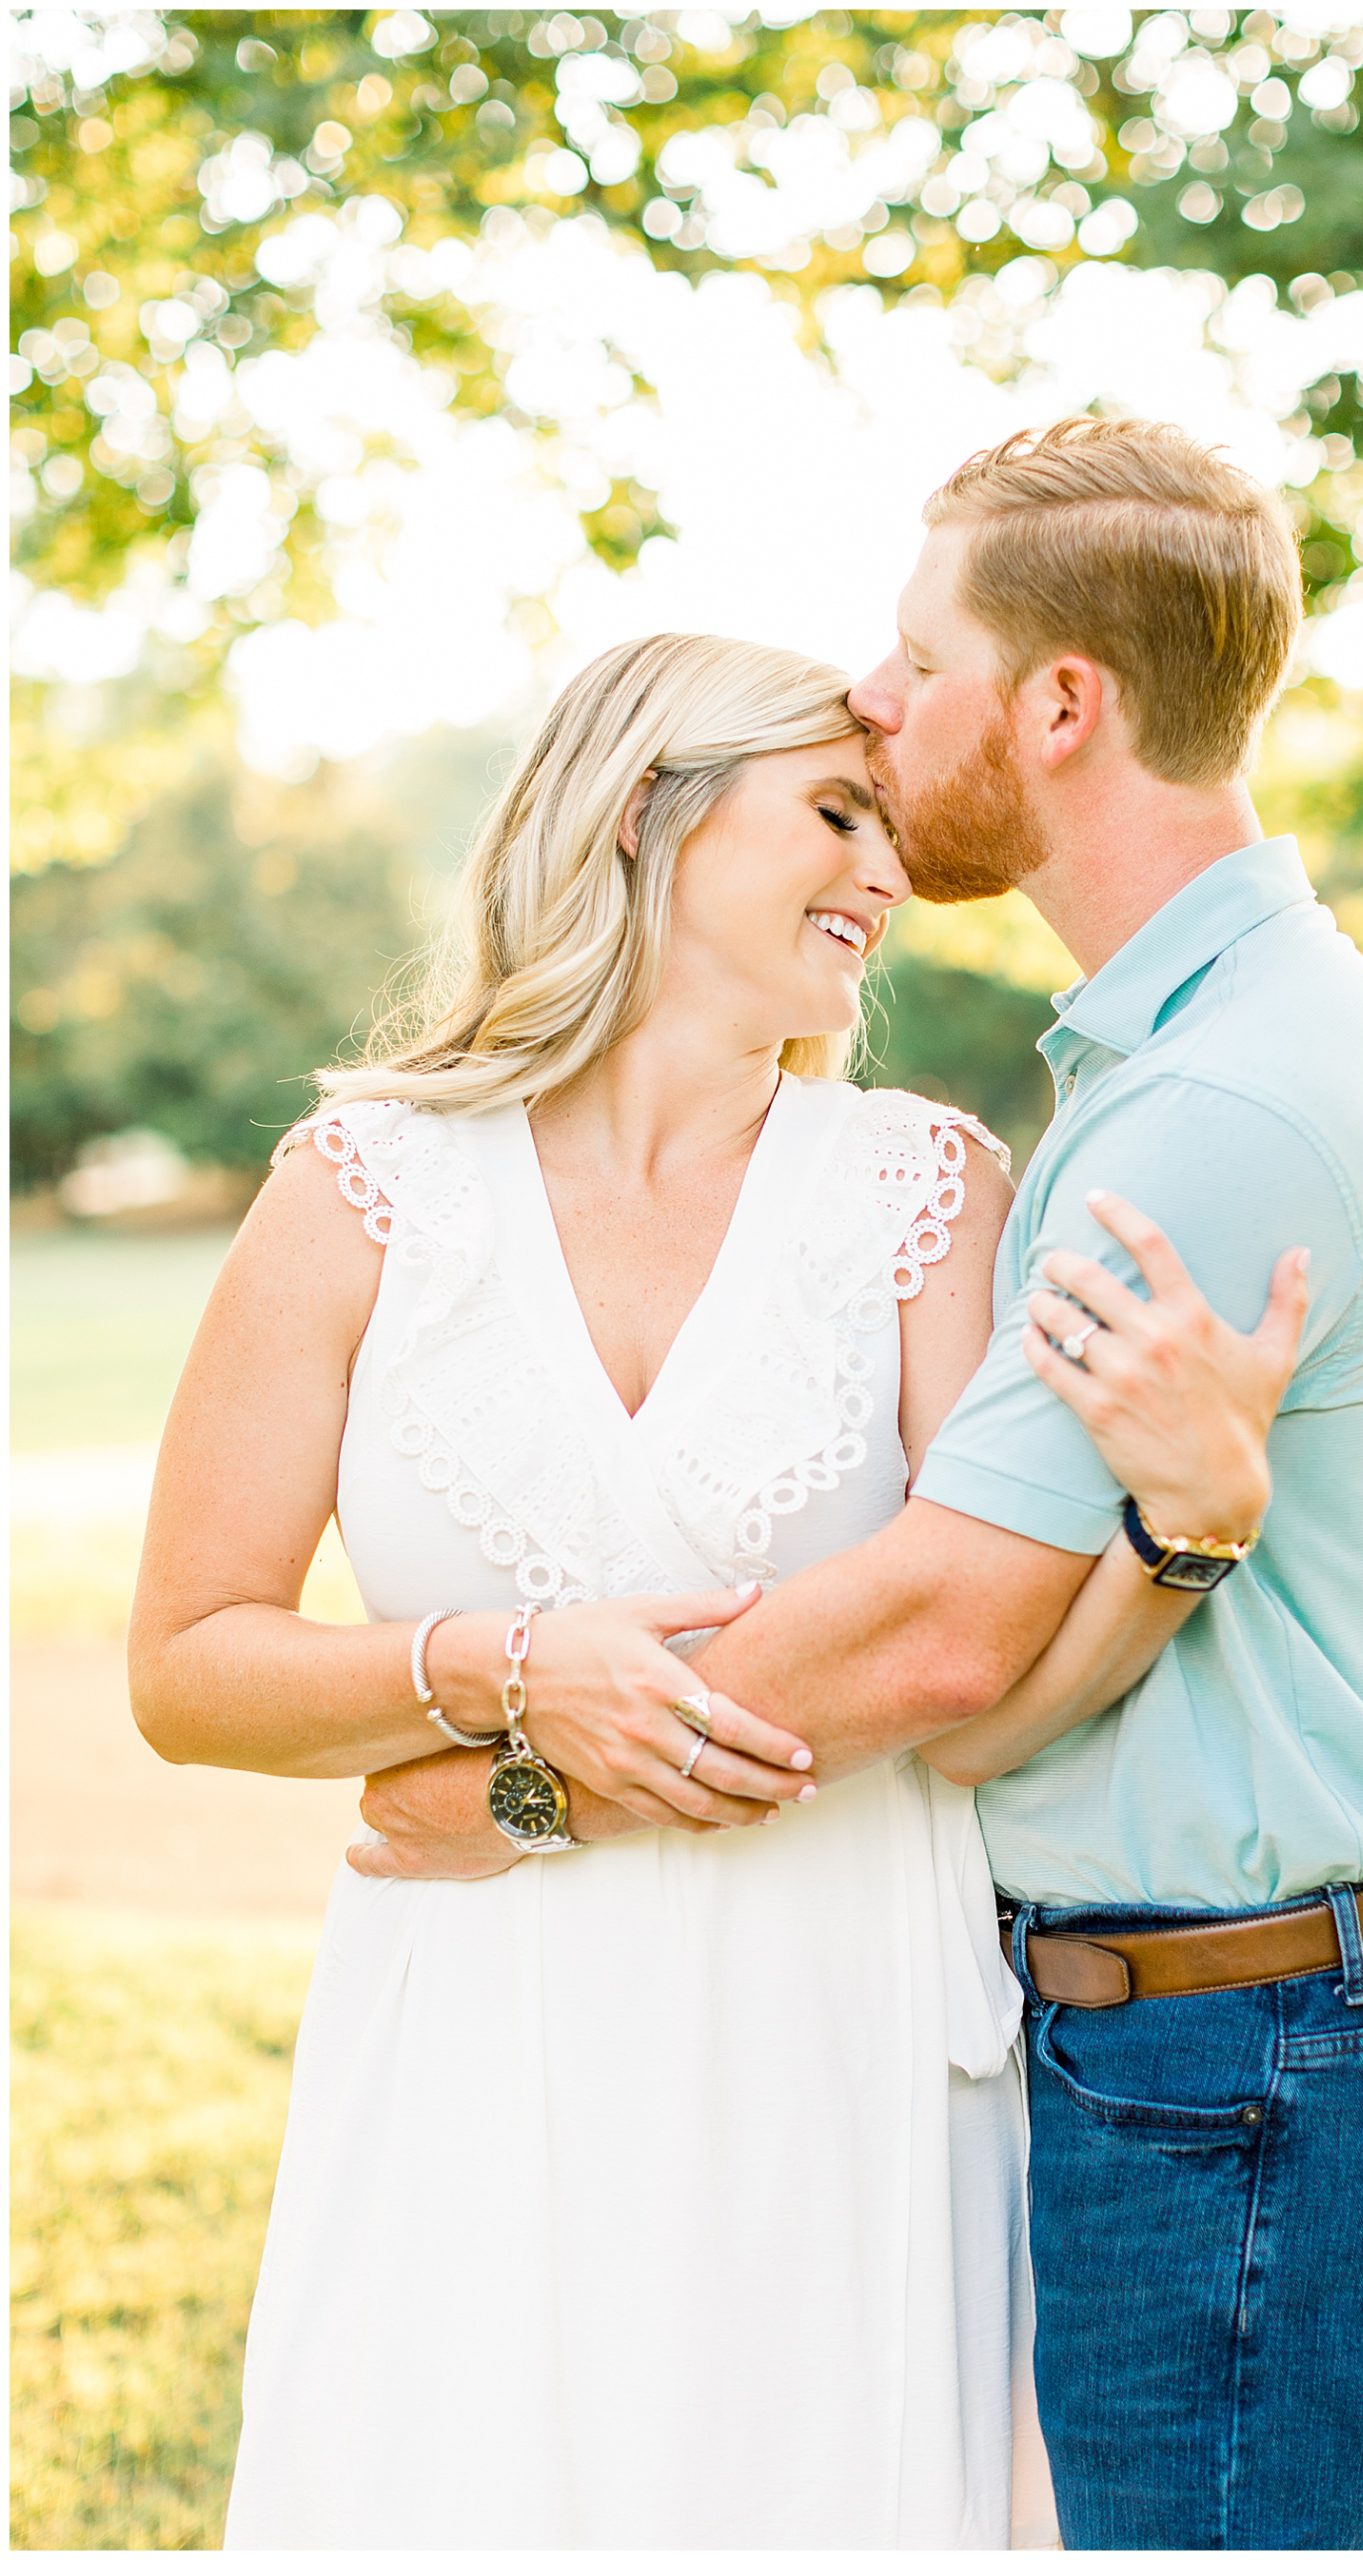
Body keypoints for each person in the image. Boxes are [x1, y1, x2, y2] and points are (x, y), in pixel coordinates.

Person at [359, 417, 1363, 2553]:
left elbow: (932, 1631)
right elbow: (995, 1677)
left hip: (1261, 2040)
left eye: (919, 659)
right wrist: (1180, 1538)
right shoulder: (1201, 1043)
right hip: (1235, 2023)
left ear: (1059, 704)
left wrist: (512, 1787)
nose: (875, 698)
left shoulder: (1219, 1098)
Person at [130, 627, 1301, 2550]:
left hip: (836, 2029)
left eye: (886, 826)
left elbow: (974, 1672)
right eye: (835, 812)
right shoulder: (361, 1188)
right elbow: (189, 1669)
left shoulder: (925, 1190)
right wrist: (502, 1670)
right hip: (479, 2029)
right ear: (642, 815)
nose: (887, 870)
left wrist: (1188, 1535)